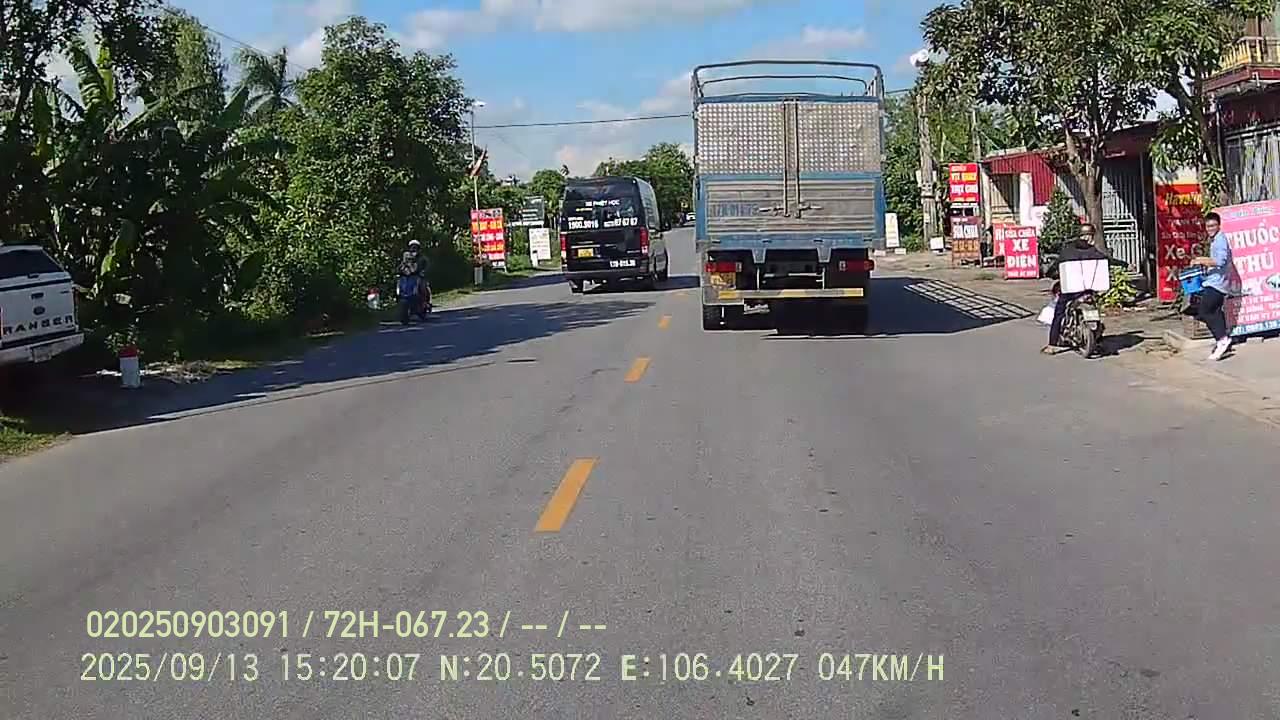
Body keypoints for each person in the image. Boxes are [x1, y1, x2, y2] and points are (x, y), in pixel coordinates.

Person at [1041, 222, 1116, 354]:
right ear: (1090, 236)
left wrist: (1049, 273)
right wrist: (1126, 265)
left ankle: (1052, 344)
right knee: (1095, 310)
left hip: (1070, 290)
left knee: (1059, 313)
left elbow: (1056, 265)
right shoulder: (1093, 251)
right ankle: (1098, 341)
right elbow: (1108, 260)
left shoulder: (1068, 250)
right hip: (1088, 289)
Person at [1190, 212, 1233, 361]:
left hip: (1217, 283)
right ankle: (1223, 342)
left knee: (1204, 311)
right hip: (1216, 282)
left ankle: (1222, 339)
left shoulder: (1220, 240)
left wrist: (1200, 260)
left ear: (1219, 225)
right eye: (1208, 226)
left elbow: (1220, 261)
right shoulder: (1216, 240)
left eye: (1213, 225)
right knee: (1215, 312)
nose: (1210, 229)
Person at [401, 239, 431, 308]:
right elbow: (403, 265)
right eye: (412, 247)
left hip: (419, 276)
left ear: (418, 248)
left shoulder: (422, 257)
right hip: (408, 277)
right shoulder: (406, 256)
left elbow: (427, 266)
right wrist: (401, 269)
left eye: (415, 247)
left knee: (423, 286)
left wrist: (424, 271)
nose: (413, 248)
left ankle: (425, 302)